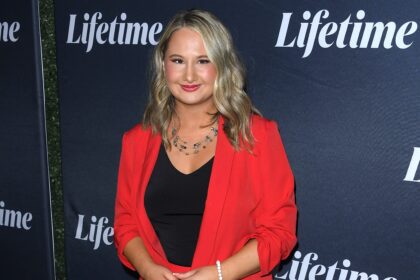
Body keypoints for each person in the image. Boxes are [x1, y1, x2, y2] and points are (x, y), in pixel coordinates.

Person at [114, 9, 297, 280]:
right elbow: (125, 222)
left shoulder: (257, 135)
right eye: (178, 60)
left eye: (202, 61)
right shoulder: (136, 141)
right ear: (163, 65)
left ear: (221, 66)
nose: (189, 75)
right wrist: (148, 269)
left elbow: (279, 231)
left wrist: (219, 274)